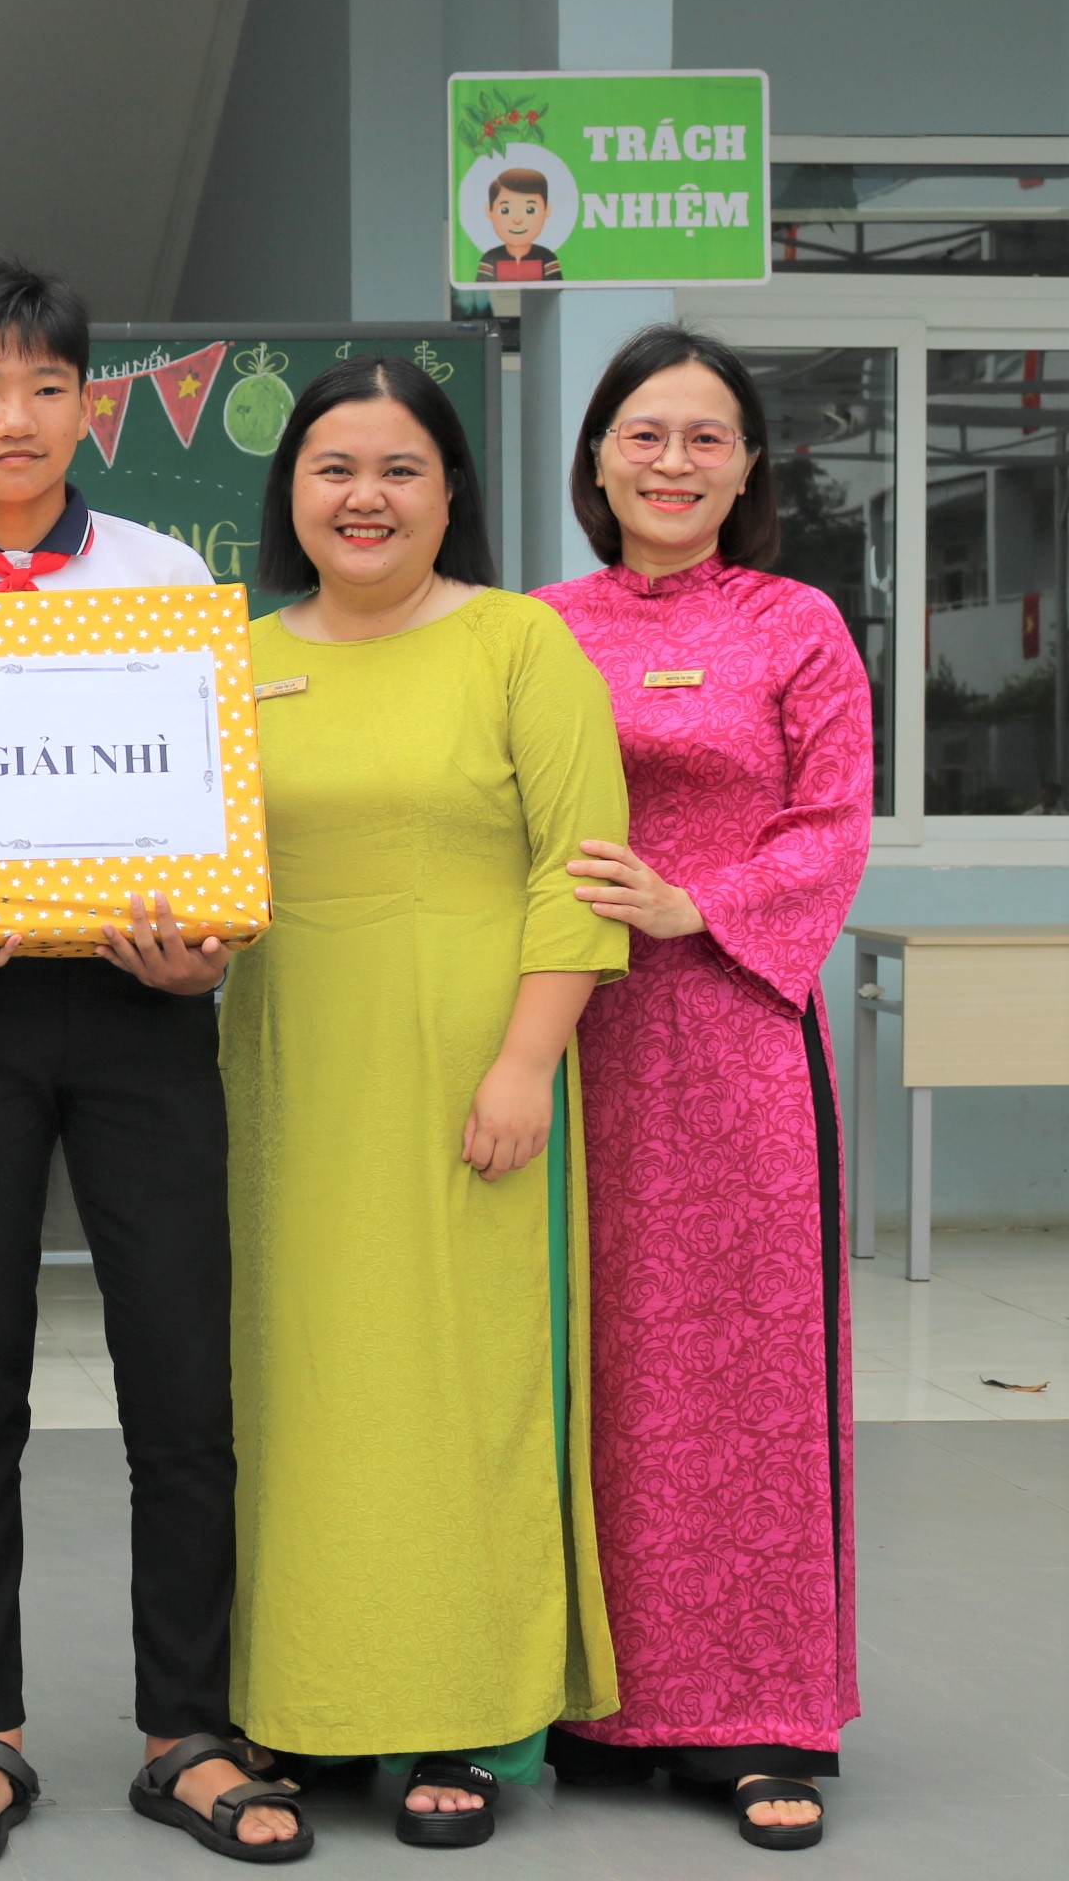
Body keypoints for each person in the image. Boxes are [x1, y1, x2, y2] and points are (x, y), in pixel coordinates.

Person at [0, 258, 301, 1868]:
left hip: (148, 1013)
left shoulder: (167, 578)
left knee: (180, 1375)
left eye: (44, 385)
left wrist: (207, 948)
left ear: (89, 404)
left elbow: (211, 812)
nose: (12, 417)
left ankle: (186, 1730)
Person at [219, 356, 629, 1850]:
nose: (366, 497)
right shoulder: (232, 658)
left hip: (473, 1074)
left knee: (465, 1389)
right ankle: (311, 1702)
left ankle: (466, 1714)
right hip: (288, 1075)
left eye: (400, 468)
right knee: (300, 1388)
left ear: (452, 489)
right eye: (334, 467)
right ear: (292, 491)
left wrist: (527, 1061)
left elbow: (581, 870)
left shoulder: (522, 644)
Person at [532, 327, 869, 1854]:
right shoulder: (535, 630)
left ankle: (756, 1708)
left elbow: (832, 824)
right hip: (568, 1036)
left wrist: (694, 900)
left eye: (706, 438)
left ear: (748, 469)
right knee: (584, 1358)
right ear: (597, 458)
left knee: (744, 1374)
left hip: (735, 1035)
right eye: (645, 435)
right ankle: (587, 1698)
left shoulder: (798, 626)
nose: (673, 463)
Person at [475, 167, 564, 283]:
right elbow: (482, 290)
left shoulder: (547, 258)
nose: (517, 220)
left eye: (530, 210)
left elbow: (555, 289)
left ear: (547, 210)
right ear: (489, 211)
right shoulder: (489, 259)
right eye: (505, 210)